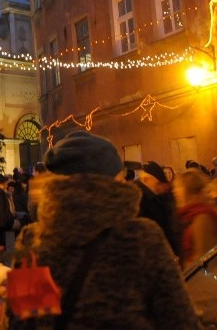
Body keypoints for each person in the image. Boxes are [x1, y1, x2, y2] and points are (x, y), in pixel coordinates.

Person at [14, 131, 200, 329]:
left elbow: (22, 324)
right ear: (112, 180)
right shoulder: (141, 239)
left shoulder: (32, 241)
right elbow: (181, 322)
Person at [175, 169, 217, 269]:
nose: (175, 191)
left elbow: (202, 257)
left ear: (189, 190)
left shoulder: (202, 217)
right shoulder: (189, 214)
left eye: (178, 187)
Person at [136, 160, 181, 257]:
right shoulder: (142, 199)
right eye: (157, 183)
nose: (159, 187)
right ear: (147, 180)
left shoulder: (153, 196)